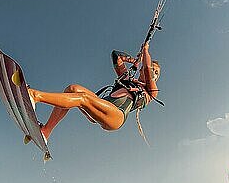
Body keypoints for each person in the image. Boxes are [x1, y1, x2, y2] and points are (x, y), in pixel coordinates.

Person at [27, 43, 160, 142]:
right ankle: (46, 131)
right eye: (155, 69)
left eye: (157, 73)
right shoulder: (126, 79)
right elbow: (116, 56)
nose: (154, 73)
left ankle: (35, 95)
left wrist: (146, 52)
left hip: (115, 116)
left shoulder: (151, 93)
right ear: (140, 70)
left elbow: (148, 69)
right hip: (103, 104)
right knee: (73, 89)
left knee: (82, 98)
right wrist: (134, 60)